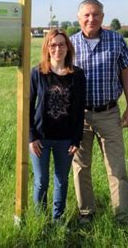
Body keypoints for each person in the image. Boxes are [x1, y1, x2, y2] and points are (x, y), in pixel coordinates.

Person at [70, 0, 128, 223]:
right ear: (79, 18)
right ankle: (86, 213)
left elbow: (126, 74)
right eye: (87, 15)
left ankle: (122, 217)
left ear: (102, 17)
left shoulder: (116, 40)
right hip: (80, 116)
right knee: (80, 167)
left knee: (117, 167)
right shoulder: (70, 44)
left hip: (109, 113)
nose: (91, 19)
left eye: (96, 14)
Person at [29, 29, 86, 222]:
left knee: (61, 181)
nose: (57, 49)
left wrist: (77, 139)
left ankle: (57, 219)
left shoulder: (77, 75)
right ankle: (39, 220)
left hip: (66, 140)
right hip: (40, 138)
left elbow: (79, 110)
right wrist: (31, 137)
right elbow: (28, 107)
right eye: (53, 45)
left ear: (68, 48)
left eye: (62, 44)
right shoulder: (37, 73)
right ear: (47, 48)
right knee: (41, 181)